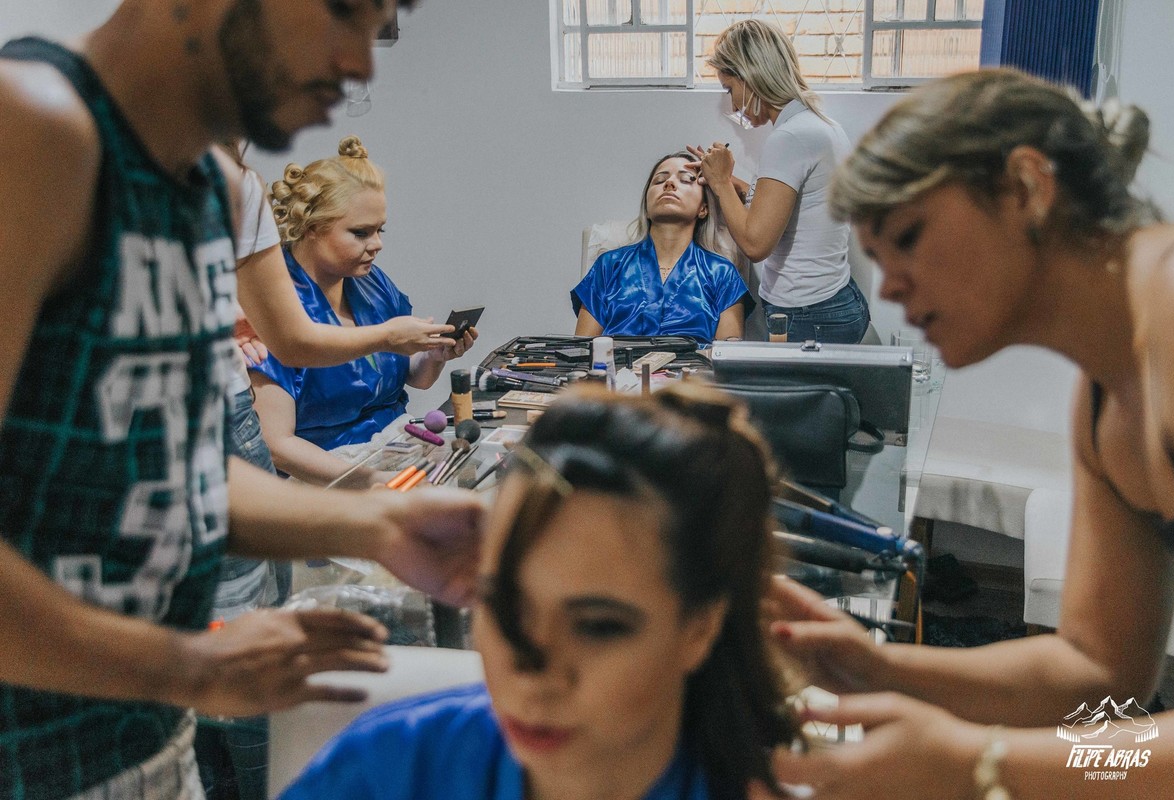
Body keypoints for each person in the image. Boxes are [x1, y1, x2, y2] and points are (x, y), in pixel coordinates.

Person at [0, 2, 485, 798]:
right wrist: (185, 663)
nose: (362, 65)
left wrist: (383, 522)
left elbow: (168, 477)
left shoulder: (213, 191)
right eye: (346, 13)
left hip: (149, 753)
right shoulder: (36, 131)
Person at [763, 68, 1174, 798]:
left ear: (1027, 187)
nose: (892, 286)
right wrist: (880, 667)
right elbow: (1096, 678)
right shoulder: (1103, 407)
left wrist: (983, 763)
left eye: (907, 237)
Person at [280, 383, 798, 800]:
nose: (532, 674)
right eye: (502, 603)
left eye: (597, 625)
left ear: (700, 627)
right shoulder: (387, 769)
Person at [248, 136, 476, 487]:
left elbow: (415, 378)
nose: (377, 244)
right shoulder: (276, 308)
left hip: (397, 450)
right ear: (311, 228)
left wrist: (434, 355)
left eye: (379, 230)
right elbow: (277, 445)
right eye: (361, 233)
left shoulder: (373, 284)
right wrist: (373, 481)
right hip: (321, 478)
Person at [689, 19, 870, 344]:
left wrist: (719, 183)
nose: (732, 104)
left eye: (730, 89)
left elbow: (756, 244)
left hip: (810, 315)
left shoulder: (790, 138)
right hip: (833, 302)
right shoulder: (818, 125)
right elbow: (785, 206)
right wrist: (729, 181)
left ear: (752, 74)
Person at [573, 151, 752, 344]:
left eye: (686, 179)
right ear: (647, 208)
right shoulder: (608, 266)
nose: (669, 184)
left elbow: (726, 358)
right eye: (659, 180)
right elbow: (582, 351)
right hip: (617, 371)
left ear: (703, 208)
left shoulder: (722, 273)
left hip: (694, 373)